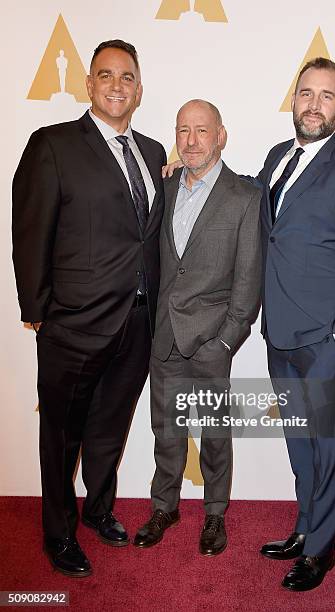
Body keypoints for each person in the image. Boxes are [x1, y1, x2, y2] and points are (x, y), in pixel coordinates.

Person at [12, 39, 166, 577]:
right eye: (106, 75)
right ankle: (58, 534)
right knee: (61, 436)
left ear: (139, 88)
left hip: (138, 323)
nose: (117, 85)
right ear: (89, 85)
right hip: (73, 325)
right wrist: (38, 308)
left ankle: (99, 510)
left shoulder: (150, 153)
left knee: (109, 428)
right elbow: (30, 229)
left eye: (127, 76)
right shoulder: (52, 145)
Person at [255, 58, 335, 591]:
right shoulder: (275, 159)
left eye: (326, 96)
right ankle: (305, 527)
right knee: (299, 443)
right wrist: (195, 168)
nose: (313, 104)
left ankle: (322, 550)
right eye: (305, 93)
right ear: (293, 100)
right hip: (279, 333)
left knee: (327, 446)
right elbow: (257, 210)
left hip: (325, 342)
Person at [134, 99, 261, 556]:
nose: (191, 140)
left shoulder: (244, 197)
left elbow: (248, 281)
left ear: (220, 136)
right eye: (183, 130)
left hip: (211, 340)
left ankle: (214, 515)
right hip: (165, 337)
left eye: (201, 130)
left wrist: (226, 339)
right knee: (166, 432)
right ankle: (163, 507)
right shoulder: (165, 188)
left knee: (214, 437)